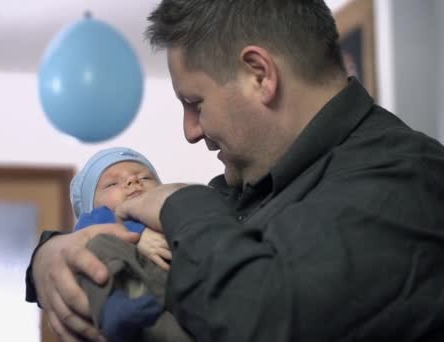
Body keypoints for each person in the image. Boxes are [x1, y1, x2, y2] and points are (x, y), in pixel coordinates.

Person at [26, 1, 444, 341]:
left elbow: (261, 320)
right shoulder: (248, 187)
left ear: (259, 76)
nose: (190, 131)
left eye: (195, 103)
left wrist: (178, 202)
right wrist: (48, 257)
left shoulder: (407, 178)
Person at [69, 146, 191, 341]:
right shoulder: (97, 217)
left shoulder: (172, 217)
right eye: (111, 184)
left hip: (173, 302)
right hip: (126, 290)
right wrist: (137, 233)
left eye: (145, 178)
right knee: (99, 242)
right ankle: (112, 305)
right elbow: (85, 233)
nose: (133, 181)